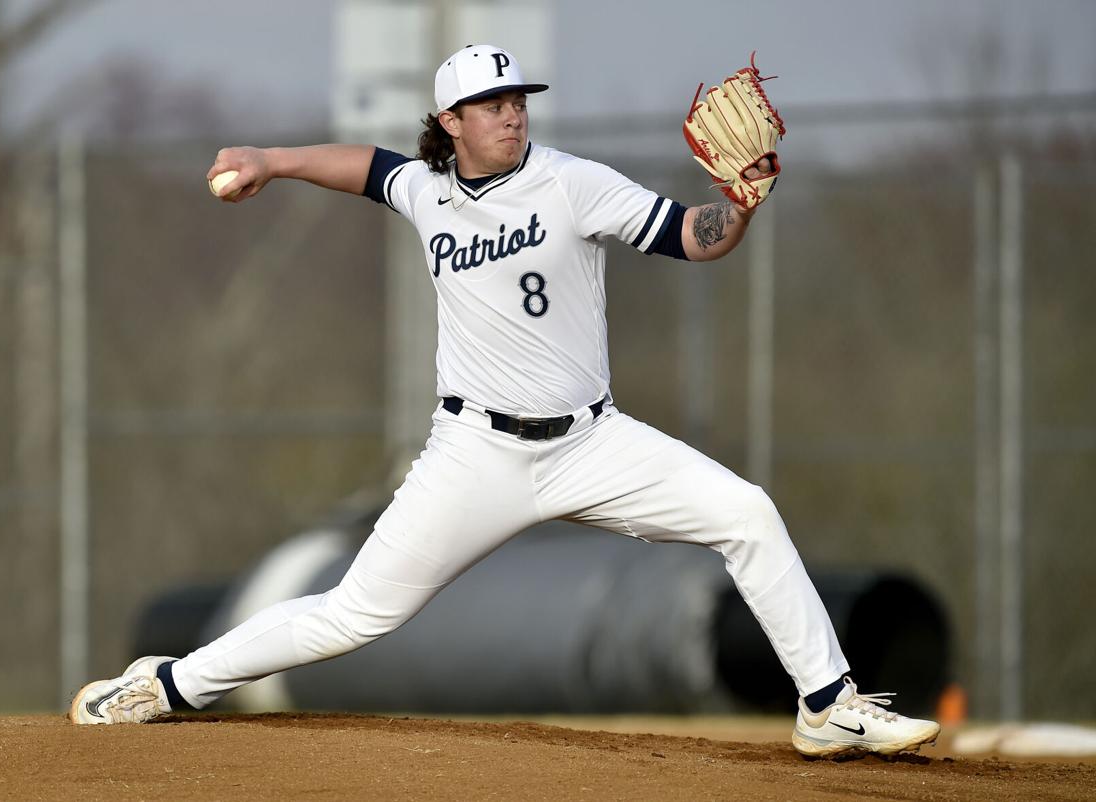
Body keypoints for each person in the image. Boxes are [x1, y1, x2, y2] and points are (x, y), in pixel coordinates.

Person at [69, 44, 940, 758]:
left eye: (517, 99)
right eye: (491, 104)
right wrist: (272, 160)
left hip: (590, 445)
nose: (512, 113)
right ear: (451, 123)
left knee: (746, 513)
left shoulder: (570, 181)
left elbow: (688, 237)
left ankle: (828, 704)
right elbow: (365, 167)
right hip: (475, 455)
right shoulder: (428, 188)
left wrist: (736, 209)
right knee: (355, 614)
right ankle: (169, 684)